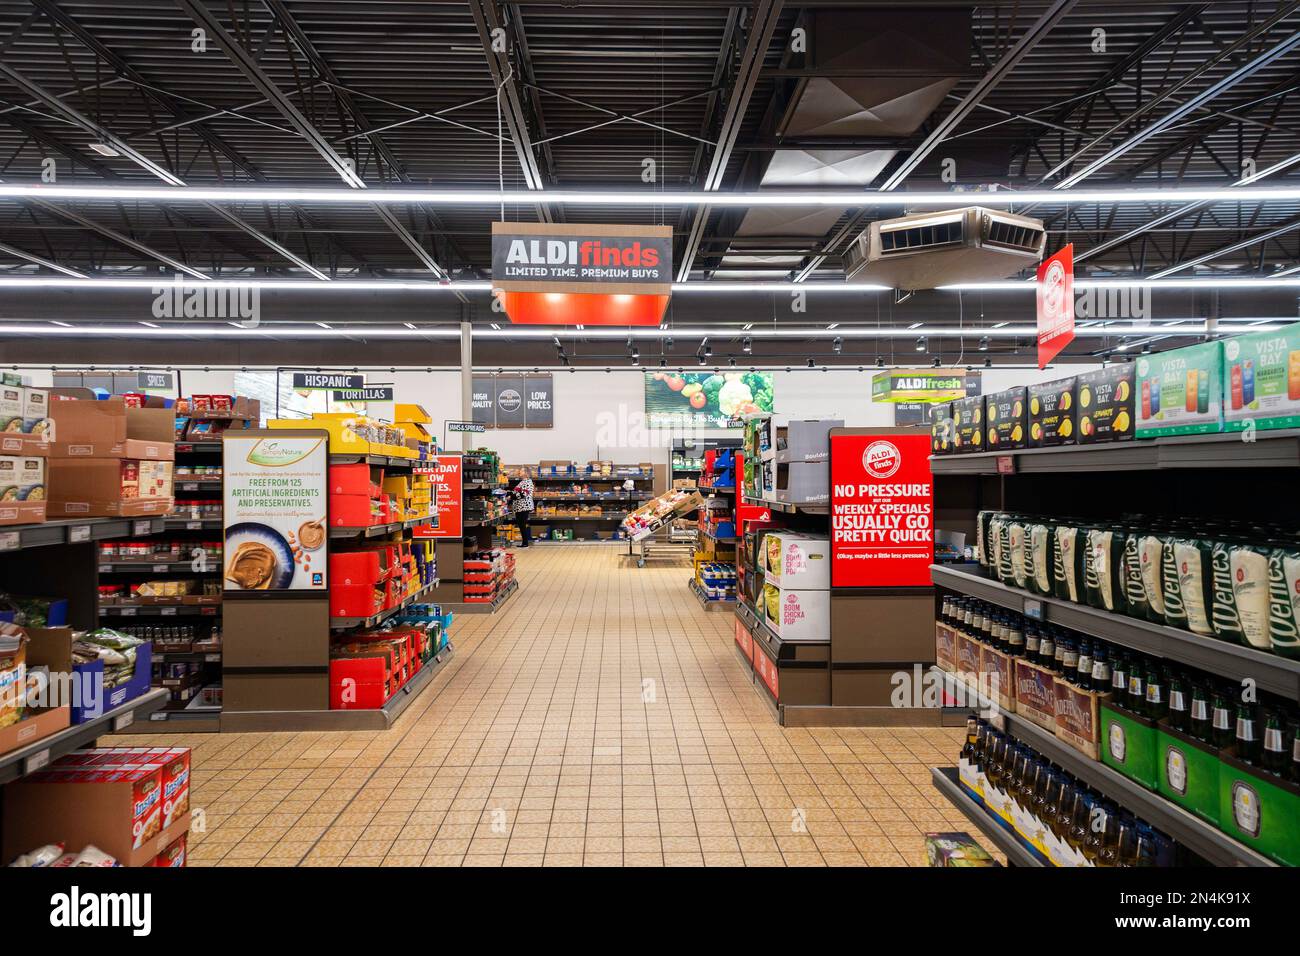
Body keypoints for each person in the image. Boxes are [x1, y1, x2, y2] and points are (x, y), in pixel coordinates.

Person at [510, 474, 535, 548]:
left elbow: (523, 494)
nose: (519, 472)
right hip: (520, 507)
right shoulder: (523, 481)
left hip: (524, 506)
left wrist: (511, 497)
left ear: (526, 473)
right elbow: (517, 491)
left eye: (521, 471)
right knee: (521, 525)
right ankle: (524, 543)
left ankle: (525, 543)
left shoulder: (528, 482)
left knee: (522, 525)